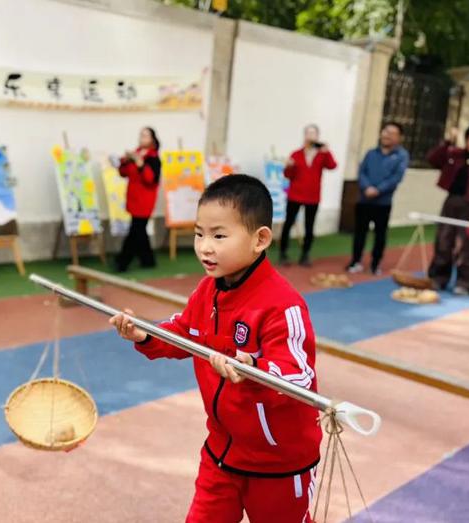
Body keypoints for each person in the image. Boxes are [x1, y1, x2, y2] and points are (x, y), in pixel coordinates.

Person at [110, 175, 321, 523]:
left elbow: (299, 377)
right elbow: (183, 332)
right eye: (199, 233)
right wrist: (143, 334)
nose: (205, 246)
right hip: (221, 452)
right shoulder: (208, 291)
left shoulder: (283, 306)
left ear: (260, 239)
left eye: (219, 235)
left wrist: (254, 368)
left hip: (280, 463)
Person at [347, 122, 409, 275]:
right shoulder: (371, 153)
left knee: (380, 234)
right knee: (360, 232)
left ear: (399, 138)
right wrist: (367, 187)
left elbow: (396, 177)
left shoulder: (401, 156)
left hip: (383, 202)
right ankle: (355, 261)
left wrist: (378, 190)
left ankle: (375, 263)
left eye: (392, 133)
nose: (387, 135)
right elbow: (362, 172)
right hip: (364, 200)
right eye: (385, 131)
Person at [426, 125, 469, 295]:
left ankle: (466, 282)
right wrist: (448, 142)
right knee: (444, 240)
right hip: (452, 201)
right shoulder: (455, 154)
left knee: (468, 245)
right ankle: (438, 278)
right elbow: (433, 159)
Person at [280, 124, 338, 266]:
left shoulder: (322, 154)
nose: (311, 136)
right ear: (304, 136)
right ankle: (283, 253)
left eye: (313, 133)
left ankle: (305, 254)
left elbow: (332, 166)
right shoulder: (296, 154)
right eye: (308, 133)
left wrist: (327, 151)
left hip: (313, 196)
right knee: (288, 224)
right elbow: (288, 175)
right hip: (295, 195)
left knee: (309, 226)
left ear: (317, 136)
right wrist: (288, 166)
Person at [114, 127, 161, 272]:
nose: (142, 138)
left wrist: (141, 164)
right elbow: (123, 173)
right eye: (141, 135)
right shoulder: (135, 154)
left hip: (145, 200)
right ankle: (148, 260)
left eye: (146, 135)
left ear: (152, 139)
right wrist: (125, 161)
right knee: (140, 231)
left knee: (135, 231)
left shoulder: (153, 158)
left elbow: (151, 180)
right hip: (133, 198)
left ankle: (123, 262)